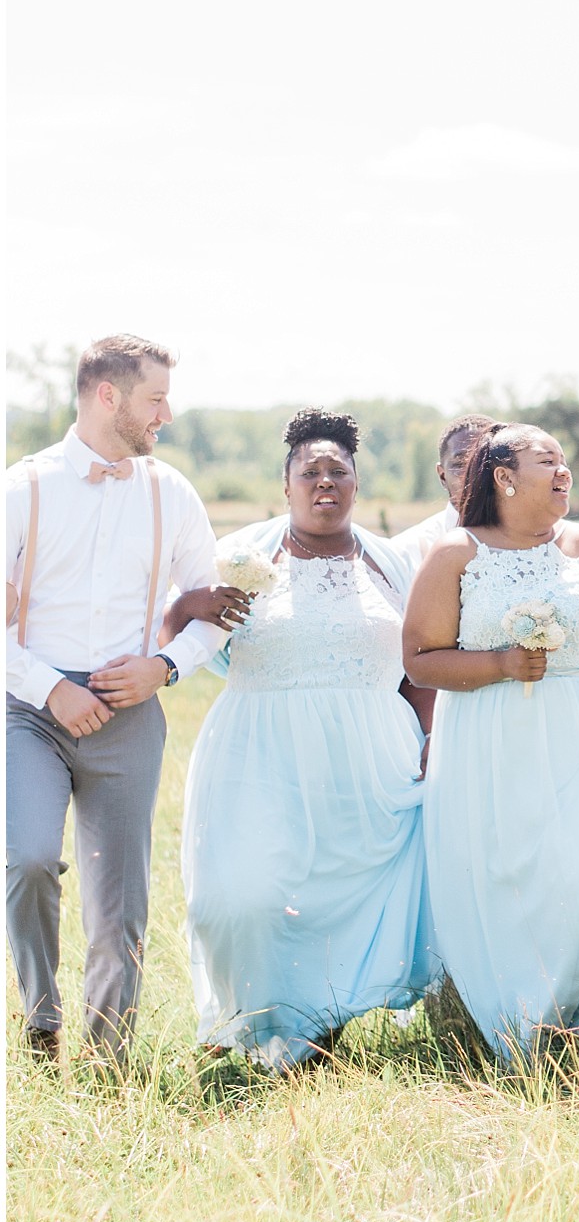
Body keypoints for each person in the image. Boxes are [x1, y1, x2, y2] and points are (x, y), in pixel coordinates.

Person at [403, 423, 579, 1064]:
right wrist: (498, 663)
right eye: (546, 460)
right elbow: (419, 660)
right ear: (504, 477)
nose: (563, 473)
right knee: (515, 875)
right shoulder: (455, 555)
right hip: (492, 741)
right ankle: (535, 1021)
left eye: (565, 462)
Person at [175, 409, 435, 1071]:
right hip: (257, 750)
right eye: (309, 470)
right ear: (286, 482)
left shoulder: (392, 562)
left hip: (372, 761)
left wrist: (432, 740)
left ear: (356, 482)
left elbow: (421, 661)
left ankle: (311, 1034)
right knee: (233, 895)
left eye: (338, 471)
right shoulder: (242, 555)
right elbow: (180, 628)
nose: (325, 481)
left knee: (344, 896)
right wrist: (189, 606)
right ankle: (258, 1022)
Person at [6, 335, 230, 1065]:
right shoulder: (24, 489)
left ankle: (107, 1062)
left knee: (120, 906)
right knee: (28, 858)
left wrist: (163, 667)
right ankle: (41, 1017)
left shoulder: (173, 493)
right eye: (155, 398)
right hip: (31, 709)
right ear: (109, 396)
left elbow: (211, 607)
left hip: (130, 712)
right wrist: (52, 688)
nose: (166, 413)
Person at [389, 414, 497, 570]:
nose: (473, 473)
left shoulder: (536, 541)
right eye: (460, 464)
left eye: (484, 462)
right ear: (442, 475)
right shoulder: (406, 550)